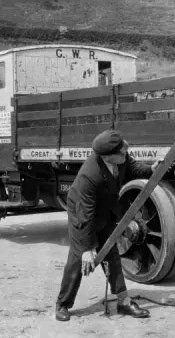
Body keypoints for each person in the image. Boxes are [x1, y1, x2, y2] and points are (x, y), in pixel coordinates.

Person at [55, 129, 161, 321]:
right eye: (122, 154)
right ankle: (62, 304)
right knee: (78, 259)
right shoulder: (90, 175)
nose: (125, 155)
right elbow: (84, 216)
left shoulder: (119, 156)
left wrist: (150, 169)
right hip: (82, 214)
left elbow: (132, 167)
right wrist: (87, 248)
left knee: (112, 254)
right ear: (108, 157)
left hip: (104, 212)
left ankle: (123, 301)